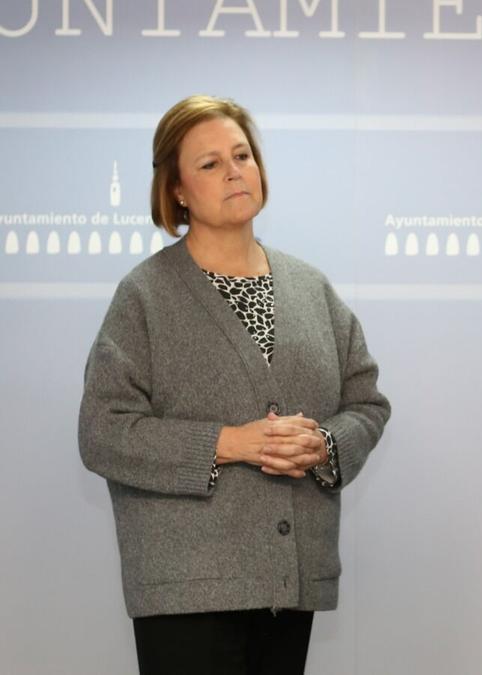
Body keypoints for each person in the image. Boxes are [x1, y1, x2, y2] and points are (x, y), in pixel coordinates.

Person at [78, 95, 391, 675]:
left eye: (242, 155)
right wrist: (230, 442)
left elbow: (366, 402)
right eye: (209, 163)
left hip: (289, 579)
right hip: (186, 587)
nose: (234, 171)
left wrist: (325, 443)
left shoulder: (310, 287)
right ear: (176, 190)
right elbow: (103, 431)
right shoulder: (144, 296)